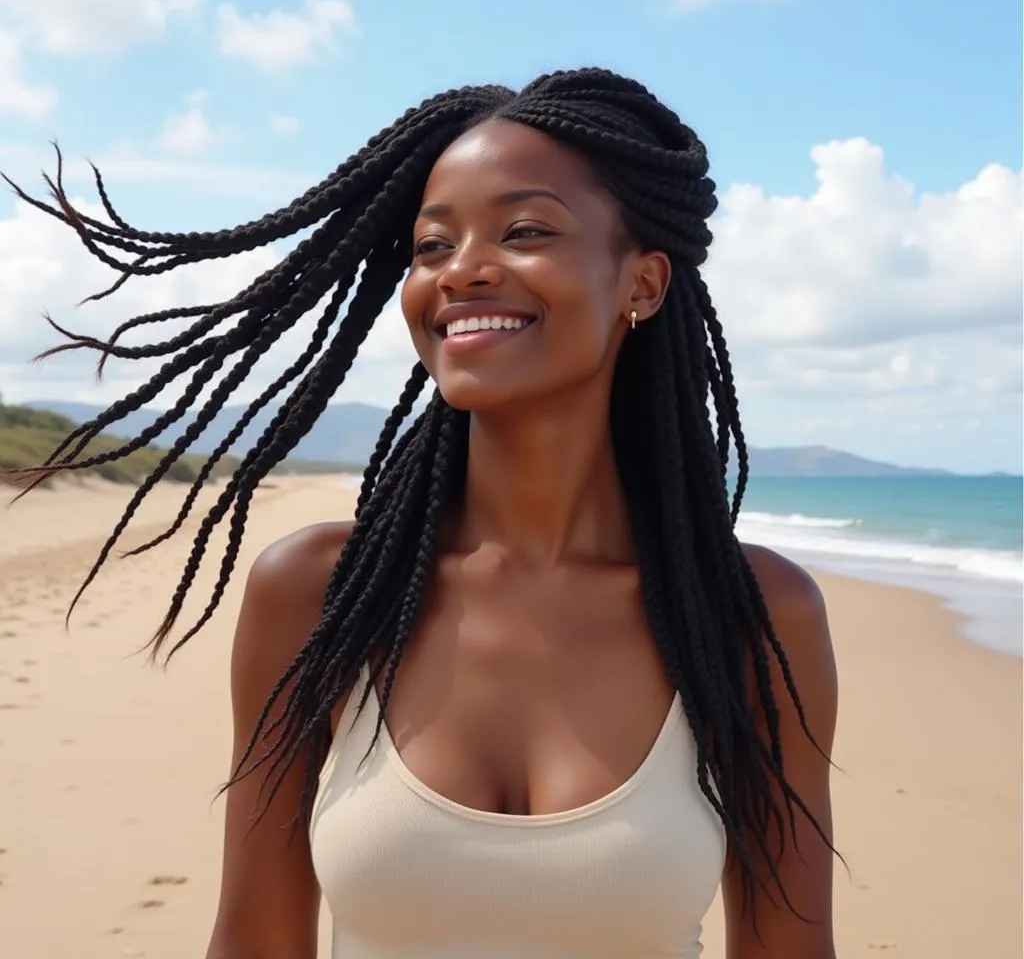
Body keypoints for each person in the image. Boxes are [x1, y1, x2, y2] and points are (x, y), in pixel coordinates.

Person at [7, 68, 839, 958]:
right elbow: (254, 938)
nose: (464, 271)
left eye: (524, 231)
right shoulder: (320, 595)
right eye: (432, 246)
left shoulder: (749, 615)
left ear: (642, 282)